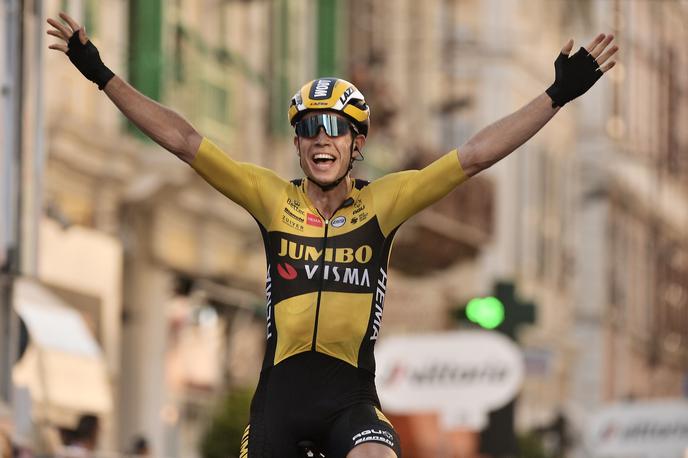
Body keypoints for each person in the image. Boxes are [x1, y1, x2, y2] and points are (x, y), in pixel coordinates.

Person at [47, 11, 617, 458]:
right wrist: (100, 75)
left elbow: (473, 156)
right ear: (297, 145)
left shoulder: (385, 202)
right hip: (280, 402)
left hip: (350, 398)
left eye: (337, 129)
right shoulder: (271, 198)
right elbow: (183, 139)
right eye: (309, 128)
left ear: (356, 145)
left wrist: (555, 96)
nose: (322, 138)